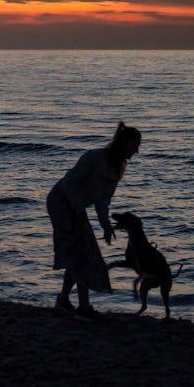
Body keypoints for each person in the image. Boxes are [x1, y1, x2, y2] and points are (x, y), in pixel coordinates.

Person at [47, 121, 142, 319]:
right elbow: (69, 183)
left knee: (78, 252)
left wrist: (106, 226)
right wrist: (79, 210)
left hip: (77, 208)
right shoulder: (95, 157)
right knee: (84, 252)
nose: (137, 151)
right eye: (135, 146)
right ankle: (84, 307)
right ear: (124, 144)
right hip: (61, 202)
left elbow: (103, 202)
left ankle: (63, 299)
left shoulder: (117, 170)